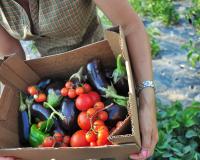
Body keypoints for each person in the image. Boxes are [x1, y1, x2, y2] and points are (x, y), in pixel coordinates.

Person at [0, 0, 158, 159]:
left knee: (118, 143)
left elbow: (130, 25)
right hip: (57, 80)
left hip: (100, 66)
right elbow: (13, 57)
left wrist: (147, 102)